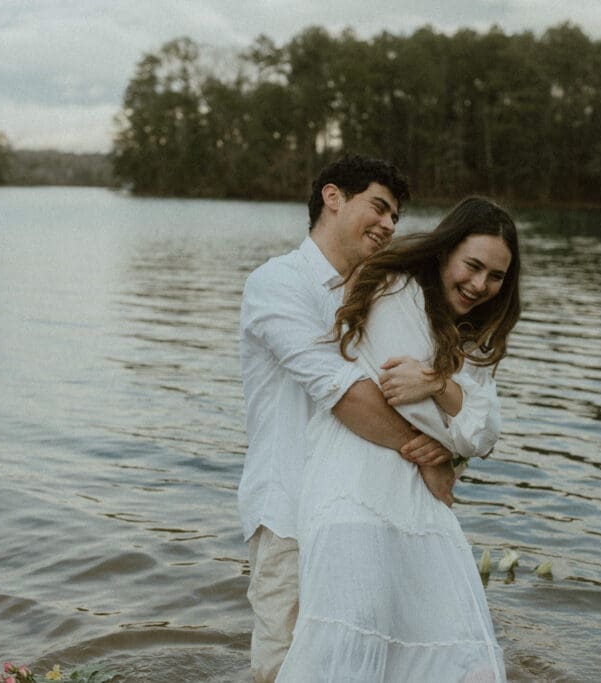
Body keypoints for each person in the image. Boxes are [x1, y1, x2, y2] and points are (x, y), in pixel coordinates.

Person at [239, 155, 498, 682]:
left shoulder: (389, 293)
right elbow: (345, 394)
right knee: (283, 667)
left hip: (363, 516)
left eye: (396, 218)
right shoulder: (279, 283)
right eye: (379, 208)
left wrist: (446, 441)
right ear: (332, 198)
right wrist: (428, 458)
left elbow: (432, 401)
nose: (389, 225)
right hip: (290, 510)